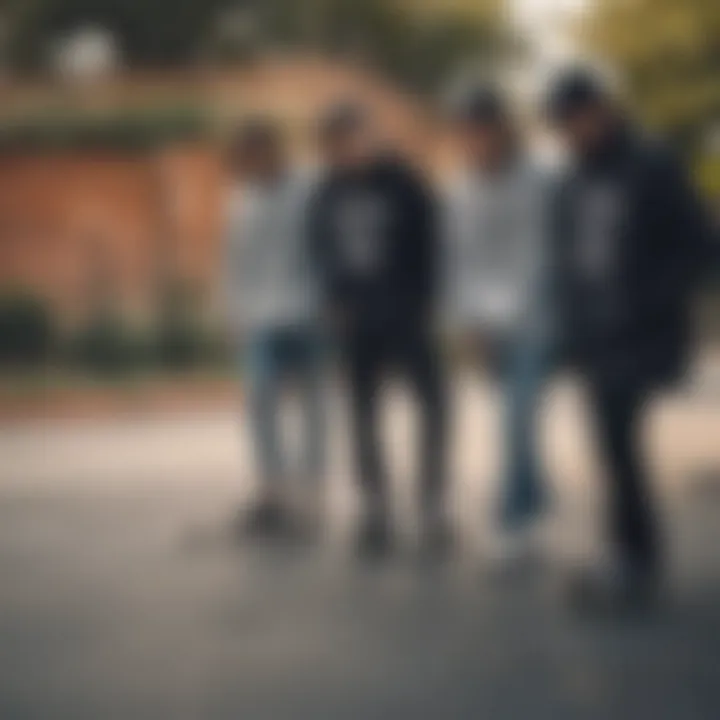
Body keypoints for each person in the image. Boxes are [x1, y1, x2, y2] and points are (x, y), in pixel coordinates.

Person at [546, 68, 710, 611]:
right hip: (595, 334)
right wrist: (569, 327)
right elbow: (566, 261)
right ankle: (632, 553)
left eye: (577, 119)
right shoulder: (571, 182)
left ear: (604, 110)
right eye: (562, 125)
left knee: (617, 437)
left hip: (640, 333)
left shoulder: (651, 166)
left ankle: (631, 557)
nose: (572, 132)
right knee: (612, 446)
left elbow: (702, 244)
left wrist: (655, 300)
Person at [308, 103, 448, 559]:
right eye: (335, 144)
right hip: (357, 320)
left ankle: (432, 507)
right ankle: (376, 509)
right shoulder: (327, 192)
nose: (345, 151)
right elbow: (320, 250)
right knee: (362, 416)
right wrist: (332, 299)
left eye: (351, 139)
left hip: (406, 315)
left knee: (432, 406)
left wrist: (427, 301)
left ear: (369, 136)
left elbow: (432, 244)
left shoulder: (406, 184)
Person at [443, 83, 554, 560]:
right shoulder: (459, 192)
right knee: (513, 424)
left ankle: (510, 522)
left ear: (502, 130)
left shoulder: (540, 182)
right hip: (488, 326)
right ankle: (534, 497)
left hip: (536, 320)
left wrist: (521, 312)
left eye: (481, 131)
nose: (474, 141)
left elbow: (543, 255)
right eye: (466, 133)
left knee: (516, 420)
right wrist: (468, 322)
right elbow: (457, 262)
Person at [223, 119, 325, 538]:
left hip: (307, 312)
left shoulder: (309, 189)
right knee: (259, 398)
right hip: (262, 316)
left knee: (314, 407)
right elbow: (235, 260)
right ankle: (272, 490)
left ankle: (309, 496)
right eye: (245, 158)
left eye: (257, 153)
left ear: (273, 149)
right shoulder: (240, 200)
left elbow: (325, 245)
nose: (252, 164)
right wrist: (233, 314)